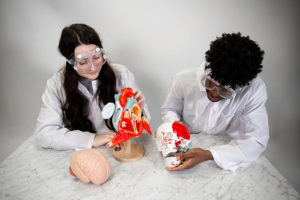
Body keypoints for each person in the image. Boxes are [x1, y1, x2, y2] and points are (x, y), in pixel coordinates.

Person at [161, 33, 269, 171]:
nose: (213, 93)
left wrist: (209, 154)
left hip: (230, 151)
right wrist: (174, 129)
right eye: (210, 83)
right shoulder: (184, 79)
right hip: (188, 142)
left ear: (240, 87)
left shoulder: (253, 90)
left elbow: (256, 140)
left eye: (225, 91)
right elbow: (170, 109)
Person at [35, 24, 150, 150]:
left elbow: (141, 129)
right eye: (83, 62)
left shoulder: (122, 75)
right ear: (70, 62)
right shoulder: (56, 85)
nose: (93, 68)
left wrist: (138, 112)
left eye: (96, 57)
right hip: (81, 152)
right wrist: (91, 139)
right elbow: (44, 135)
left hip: (119, 147)